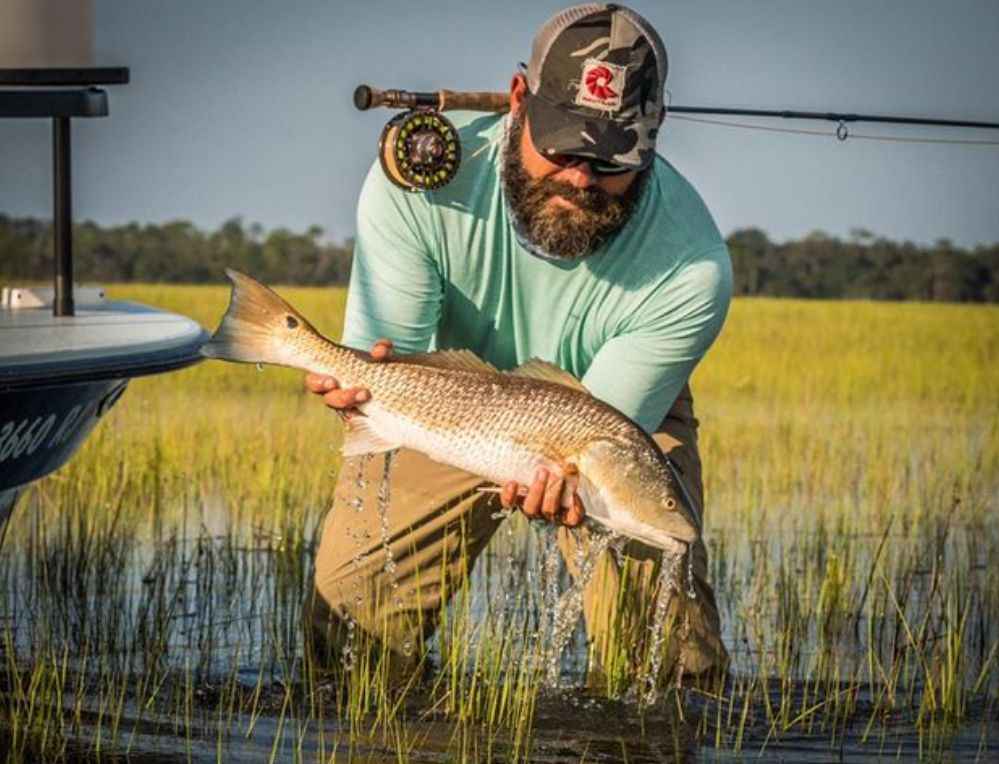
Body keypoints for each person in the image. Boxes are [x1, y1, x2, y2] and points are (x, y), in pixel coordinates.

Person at [304, 3, 732, 691]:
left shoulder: (695, 268)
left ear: (653, 137)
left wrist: (560, 474)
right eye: (563, 147)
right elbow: (392, 357)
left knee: (664, 652)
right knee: (352, 636)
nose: (582, 178)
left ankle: (658, 724)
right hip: (443, 398)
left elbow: (595, 441)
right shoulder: (420, 179)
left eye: (612, 158)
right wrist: (353, 384)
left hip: (609, 417)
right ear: (517, 101)